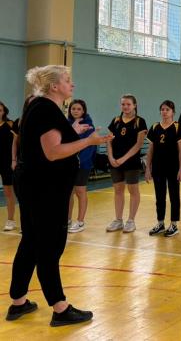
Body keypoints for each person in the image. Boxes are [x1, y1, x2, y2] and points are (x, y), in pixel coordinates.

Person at [7, 65, 112, 326]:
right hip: (44, 188)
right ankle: (60, 308)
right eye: (67, 80)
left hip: (34, 184)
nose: (71, 84)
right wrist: (88, 141)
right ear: (54, 86)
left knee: (31, 242)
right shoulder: (46, 109)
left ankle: (18, 301)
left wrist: (73, 132)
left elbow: (47, 142)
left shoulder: (39, 106)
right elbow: (53, 152)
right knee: (49, 245)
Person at [106, 95, 147, 233]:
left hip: (131, 162)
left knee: (133, 190)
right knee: (118, 190)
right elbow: (109, 140)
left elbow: (139, 144)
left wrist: (123, 159)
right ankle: (118, 220)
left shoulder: (140, 122)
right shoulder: (116, 120)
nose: (125, 107)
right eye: (123, 104)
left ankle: (131, 221)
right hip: (115, 161)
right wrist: (110, 157)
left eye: (128, 104)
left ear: (134, 105)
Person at [145, 100, 181, 238]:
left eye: (167, 109)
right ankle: (160, 223)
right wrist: (148, 168)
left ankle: (174, 224)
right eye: (162, 109)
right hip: (158, 167)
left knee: (174, 196)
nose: (164, 112)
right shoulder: (155, 127)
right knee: (159, 196)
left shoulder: (177, 127)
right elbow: (150, 150)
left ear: (173, 112)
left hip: (173, 167)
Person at [66, 100, 96, 233]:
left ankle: (80, 221)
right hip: (67, 164)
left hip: (83, 164)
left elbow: (90, 146)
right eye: (73, 108)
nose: (76, 111)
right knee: (68, 192)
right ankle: (67, 219)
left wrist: (79, 160)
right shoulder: (66, 124)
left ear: (83, 111)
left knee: (80, 191)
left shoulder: (89, 126)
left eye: (78, 109)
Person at [0, 102, 18, 231]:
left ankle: (11, 220)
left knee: (8, 192)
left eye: (0, 110)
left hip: (6, 163)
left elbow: (16, 143)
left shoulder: (10, 124)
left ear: (4, 111)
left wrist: (14, 159)